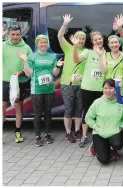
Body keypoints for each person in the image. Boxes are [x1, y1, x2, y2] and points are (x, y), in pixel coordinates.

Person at [17, 35, 64, 147]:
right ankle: (38, 136)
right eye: (41, 42)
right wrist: (25, 62)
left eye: (45, 42)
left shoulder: (52, 56)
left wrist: (57, 66)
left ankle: (47, 134)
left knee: (48, 113)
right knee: (38, 114)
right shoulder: (32, 57)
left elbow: (54, 73)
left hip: (50, 89)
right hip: (37, 89)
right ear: (37, 44)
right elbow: (29, 73)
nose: (43, 44)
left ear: (47, 44)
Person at [72, 31, 105, 148]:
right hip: (87, 87)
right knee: (87, 112)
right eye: (95, 40)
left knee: (101, 113)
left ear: (102, 39)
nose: (98, 41)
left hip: (102, 89)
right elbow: (76, 60)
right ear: (92, 42)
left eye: (99, 38)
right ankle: (84, 136)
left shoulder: (107, 53)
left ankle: (100, 135)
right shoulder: (88, 52)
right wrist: (75, 47)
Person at [85, 78, 123, 164]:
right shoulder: (97, 102)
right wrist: (95, 127)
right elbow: (88, 118)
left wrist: (121, 127)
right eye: (105, 88)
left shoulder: (122, 103)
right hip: (99, 133)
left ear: (115, 90)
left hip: (114, 132)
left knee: (118, 144)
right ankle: (96, 146)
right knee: (104, 160)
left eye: (110, 88)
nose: (107, 91)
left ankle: (111, 148)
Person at [57, 14, 86, 143]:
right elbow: (59, 36)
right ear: (74, 39)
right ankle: (68, 132)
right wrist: (65, 24)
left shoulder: (86, 51)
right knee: (69, 108)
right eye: (78, 38)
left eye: (83, 39)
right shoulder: (68, 47)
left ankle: (77, 130)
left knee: (79, 109)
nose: (80, 40)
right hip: (67, 84)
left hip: (81, 84)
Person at [3, 24, 33, 143]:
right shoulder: (3, 45)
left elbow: (31, 66)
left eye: (17, 34)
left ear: (21, 34)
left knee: (18, 107)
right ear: (9, 34)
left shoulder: (26, 48)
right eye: (13, 34)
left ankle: (18, 131)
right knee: (3, 107)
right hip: (4, 81)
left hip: (20, 82)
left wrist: (21, 72)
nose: (15, 37)